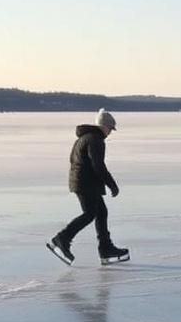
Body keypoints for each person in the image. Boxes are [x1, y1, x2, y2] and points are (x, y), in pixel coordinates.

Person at [47, 109, 129, 265]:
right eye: (110, 129)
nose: (110, 132)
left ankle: (106, 248)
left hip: (83, 181)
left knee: (101, 213)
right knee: (90, 214)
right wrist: (112, 185)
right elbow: (98, 165)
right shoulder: (95, 139)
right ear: (104, 126)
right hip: (86, 183)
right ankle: (61, 239)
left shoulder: (86, 138)